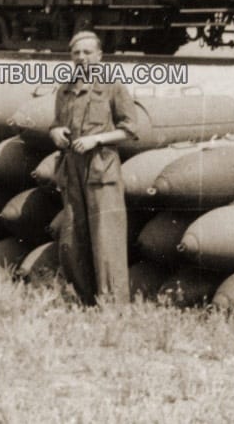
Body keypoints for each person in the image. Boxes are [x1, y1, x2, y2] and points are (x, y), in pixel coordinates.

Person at [49, 31, 138, 305]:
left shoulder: (113, 86)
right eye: (76, 53)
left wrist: (96, 139)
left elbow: (131, 130)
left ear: (99, 55)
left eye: (87, 52)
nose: (81, 58)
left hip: (102, 172)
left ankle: (113, 306)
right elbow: (54, 123)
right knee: (71, 240)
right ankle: (85, 301)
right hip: (72, 171)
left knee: (106, 241)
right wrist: (55, 132)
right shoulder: (65, 89)